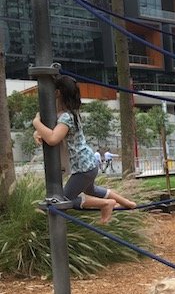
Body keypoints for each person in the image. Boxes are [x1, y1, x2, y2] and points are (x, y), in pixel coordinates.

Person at [31, 75, 136, 224]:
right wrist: (39, 132)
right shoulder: (71, 113)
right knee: (91, 191)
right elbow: (52, 132)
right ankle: (125, 201)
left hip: (83, 166)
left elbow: (53, 139)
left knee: (64, 200)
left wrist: (36, 123)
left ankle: (107, 204)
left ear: (58, 93)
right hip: (88, 163)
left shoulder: (66, 117)